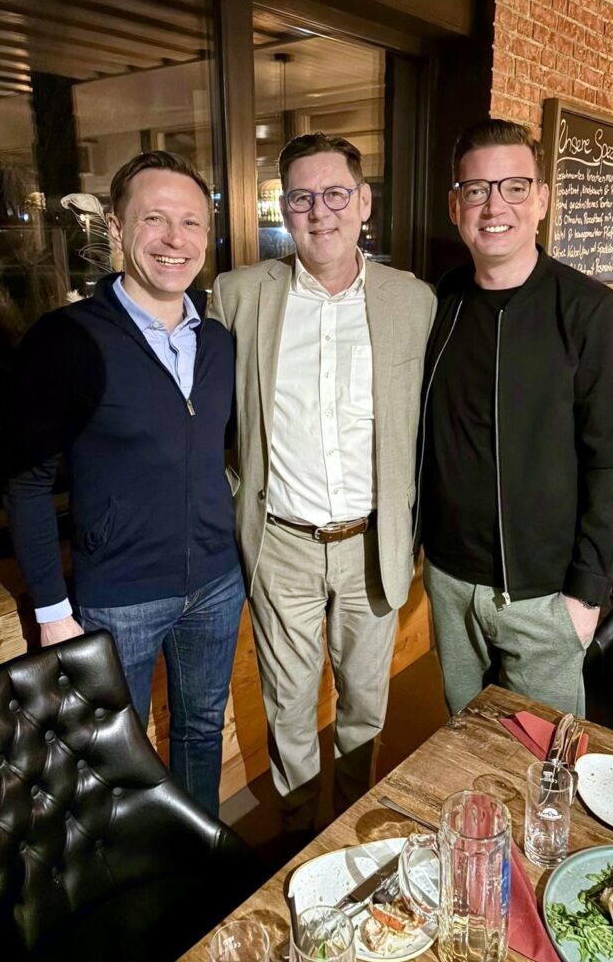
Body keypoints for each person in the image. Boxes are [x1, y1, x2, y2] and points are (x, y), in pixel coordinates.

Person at [209, 132, 435, 838]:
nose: (319, 211)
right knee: (288, 710)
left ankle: (352, 831)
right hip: (282, 544)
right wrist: (237, 495)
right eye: (302, 197)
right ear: (284, 209)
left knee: (366, 707)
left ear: (364, 202)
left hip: (373, 542)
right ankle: (301, 841)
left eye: (335, 193)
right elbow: (211, 420)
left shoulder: (413, 301)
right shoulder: (239, 295)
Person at [5, 151, 244, 817]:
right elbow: (27, 484)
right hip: (118, 597)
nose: (175, 239)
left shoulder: (218, 341)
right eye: (154, 219)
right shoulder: (66, 339)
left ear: (207, 234)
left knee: (202, 732)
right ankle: (140, 875)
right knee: (117, 759)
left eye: (191, 223)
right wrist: (52, 613)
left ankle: (198, 858)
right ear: (116, 227)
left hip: (217, 584)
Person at [418, 118, 613, 718]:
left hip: (545, 596)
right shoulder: (440, 303)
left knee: (545, 758)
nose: (495, 206)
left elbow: (609, 463)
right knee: (465, 745)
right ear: (455, 206)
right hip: (450, 583)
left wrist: (586, 596)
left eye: (514, 187)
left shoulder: (591, 310)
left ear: (540, 198)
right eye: (476, 189)